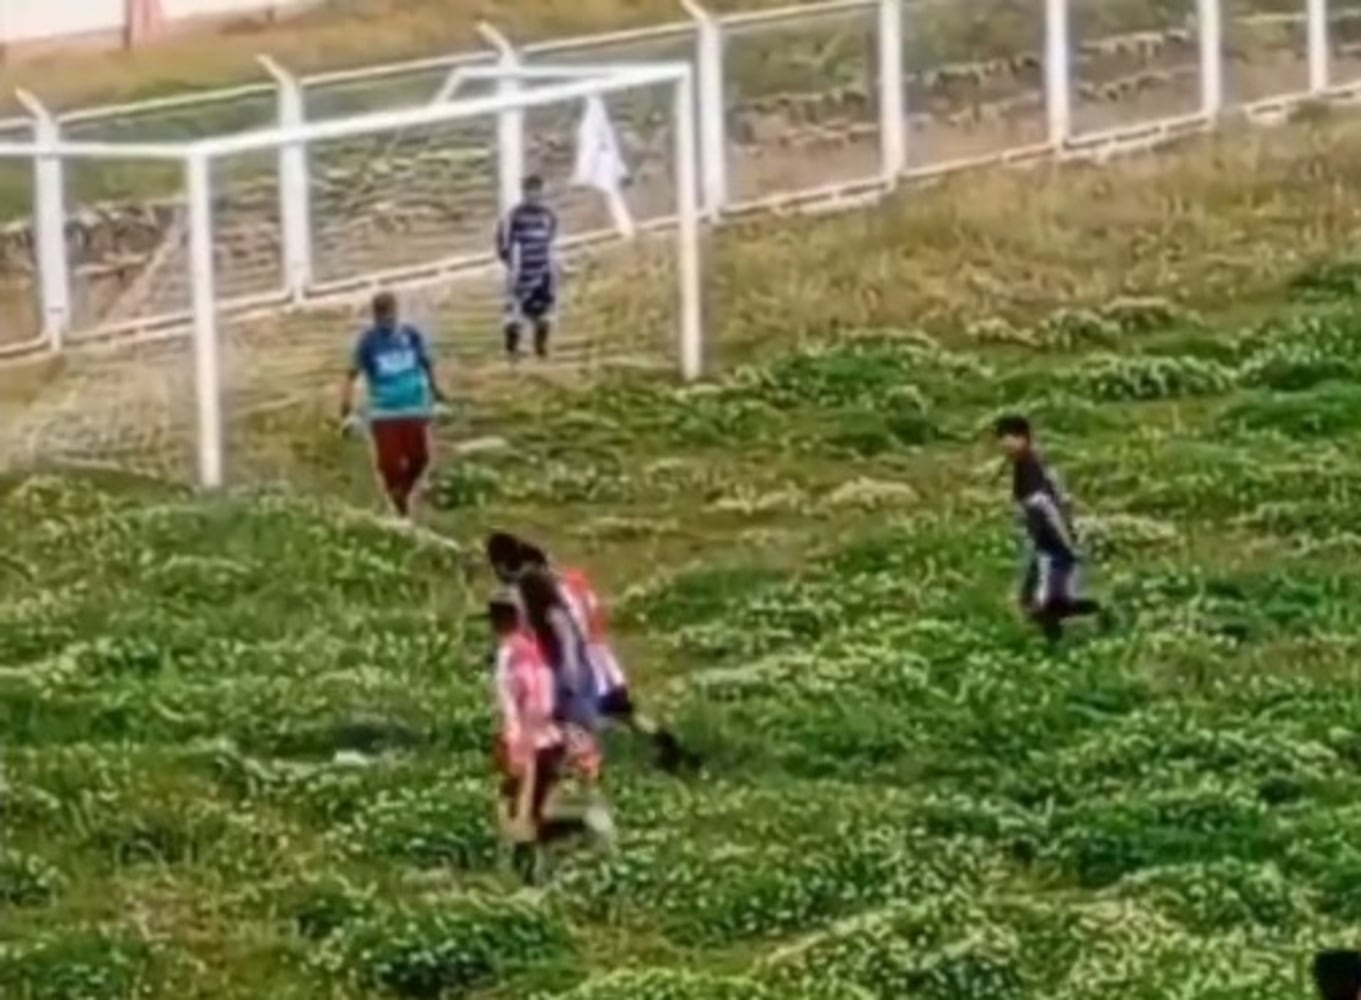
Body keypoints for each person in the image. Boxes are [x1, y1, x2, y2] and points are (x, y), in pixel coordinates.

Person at [488, 531, 698, 773]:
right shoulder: (571, 580)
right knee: (622, 713)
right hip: (600, 656)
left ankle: (572, 771)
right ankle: (662, 742)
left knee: (564, 720)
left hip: (575, 661)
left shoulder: (535, 590)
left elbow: (555, 629)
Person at [489, 596, 608, 885]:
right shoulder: (540, 653)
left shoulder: (510, 654)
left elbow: (510, 701)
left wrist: (513, 741)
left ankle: (524, 872)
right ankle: (540, 862)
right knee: (535, 804)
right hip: (550, 737)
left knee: (519, 809)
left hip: (529, 741)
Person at [994, 414, 1109, 646]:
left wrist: (1067, 545)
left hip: (1053, 548)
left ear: (1023, 439)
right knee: (1040, 602)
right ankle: (1067, 637)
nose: (1003, 444)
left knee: (1045, 603)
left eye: (1009, 437)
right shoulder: (1023, 466)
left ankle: (1097, 619)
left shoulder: (1030, 470)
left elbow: (1049, 511)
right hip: (1042, 547)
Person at [341, 291, 448, 519]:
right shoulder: (368, 342)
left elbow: (426, 363)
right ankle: (399, 507)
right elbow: (351, 374)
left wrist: (436, 391)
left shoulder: (410, 336)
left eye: (389, 312)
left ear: (396, 311)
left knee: (420, 458)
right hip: (384, 412)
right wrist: (346, 408)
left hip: (414, 408)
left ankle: (403, 492)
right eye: (381, 314)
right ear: (375, 315)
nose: (386, 318)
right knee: (389, 465)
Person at [495, 174, 559, 360]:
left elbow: (551, 240)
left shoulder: (548, 215)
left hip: (542, 272)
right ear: (524, 193)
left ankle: (541, 350)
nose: (535, 196)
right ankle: (512, 351)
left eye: (538, 191)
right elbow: (503, 243)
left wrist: (551, 268)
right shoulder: (514, 216)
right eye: (530, 192)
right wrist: (512, 266)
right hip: (521, 274)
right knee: (514, 312)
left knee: (543, 313)